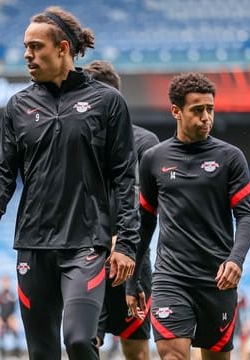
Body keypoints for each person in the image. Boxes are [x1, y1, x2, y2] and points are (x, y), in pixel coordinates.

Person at [0, 7, 140, 360]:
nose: (27, 55)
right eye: (25, 47)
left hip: (86, 245)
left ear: (62, 48)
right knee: (42, 353)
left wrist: (126, 242)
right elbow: (1, 172)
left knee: (79, 340)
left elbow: (125, 176)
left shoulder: (108, 102)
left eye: (36, 47)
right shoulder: (17, 106)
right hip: (33, 246)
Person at [128, 72, 250, 360]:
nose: (206, 117)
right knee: (173, 355)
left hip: (217, 279)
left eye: (210, 109)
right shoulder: (153, 159)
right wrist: (134, 279)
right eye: (197, 110)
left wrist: (236, 260)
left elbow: (246, 217)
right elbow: (145, 223)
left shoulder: (231, 158)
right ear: (176, 111)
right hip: (171, 278)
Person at [84, 60, 159, 360]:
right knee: (83, 344)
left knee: (137, 352)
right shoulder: (79, 140)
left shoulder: (143, 142)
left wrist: (123, 239)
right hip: (86, 260)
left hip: (131, 262)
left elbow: (149, 204)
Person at [0, 275, 20, 358]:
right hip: (2, 318)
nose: (5, 284)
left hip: (10, 318)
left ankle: (16, 355)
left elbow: (15, 307)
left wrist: (13, 318)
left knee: (16, 335)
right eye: (4, 282)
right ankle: (2, 355)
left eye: (7, 282)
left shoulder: (12, 294)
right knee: (1, 336)